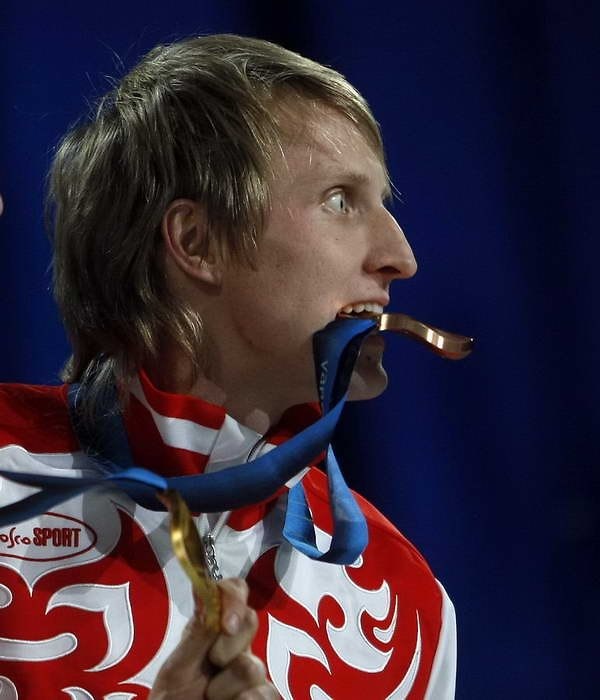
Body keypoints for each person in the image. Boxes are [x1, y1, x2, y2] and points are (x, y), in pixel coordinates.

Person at [0, 35, 456, 699]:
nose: (401, 258)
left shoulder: (407, 605)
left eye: (383, 204)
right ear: (197, 242)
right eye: (339, 200)